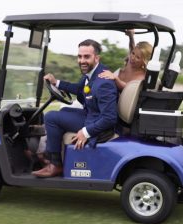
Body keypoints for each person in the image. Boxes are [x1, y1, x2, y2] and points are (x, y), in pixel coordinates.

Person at [31, 39, 118, 178]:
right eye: (80, 56)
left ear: (97, 58)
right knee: (63, 112)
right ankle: (50, 154)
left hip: (98, 123)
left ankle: (55, 164)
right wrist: (56, 83)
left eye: (87, 57)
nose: (82, 60)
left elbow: (110, 117)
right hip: (92, 115)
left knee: (51, 117)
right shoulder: (91, 74)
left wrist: (86, 132)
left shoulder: (103, 82)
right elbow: (79, 89)